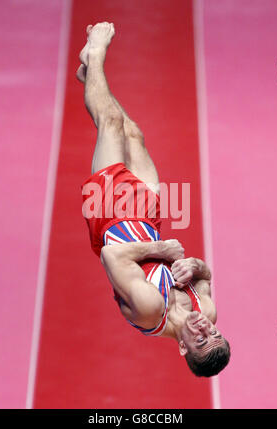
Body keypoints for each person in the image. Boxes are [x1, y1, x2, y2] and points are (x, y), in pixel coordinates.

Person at [77, 22, 230, 377]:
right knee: (134, 133)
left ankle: (95, 54)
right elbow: (205, 276)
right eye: (215, 334)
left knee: (111, 123)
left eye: (201, 340)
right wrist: (196, 268)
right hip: (147, 220)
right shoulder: (204, 310)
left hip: (110, 215)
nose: (206, 329)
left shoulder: (150, 309)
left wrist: (163, 251)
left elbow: (111, 255)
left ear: (182, 347)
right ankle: (90, 79)